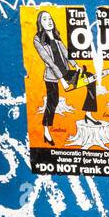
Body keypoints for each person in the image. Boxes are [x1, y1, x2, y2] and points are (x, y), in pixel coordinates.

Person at [32, 9, 98, 146]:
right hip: (52, 77)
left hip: (66, 72)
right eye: (45, 19)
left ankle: (88, 114)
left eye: (50, 19)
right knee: (53, 102)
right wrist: (61, 79)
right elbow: (48, 61)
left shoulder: (56, 37)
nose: (49, 21)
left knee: (90, 78)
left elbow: (66, 53)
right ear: (40, 23)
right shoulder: (38, 39)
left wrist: (76, 65)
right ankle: (46, 131)